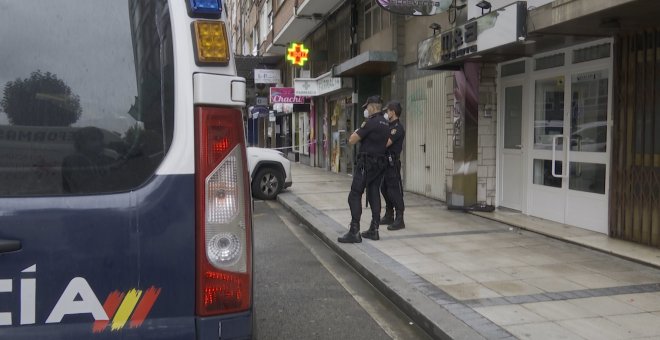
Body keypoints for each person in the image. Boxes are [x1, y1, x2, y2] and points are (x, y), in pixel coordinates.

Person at [338, 95, 390, 243]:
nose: (366, 109)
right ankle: (374, 229)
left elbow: (352, 140)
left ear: (373, 107)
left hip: (366, 164)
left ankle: (354, 231)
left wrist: (359, 129)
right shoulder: (386, 124)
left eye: (367, 107)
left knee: (354, 195)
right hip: (379, 164)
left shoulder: (370, 123)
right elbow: (385, 143)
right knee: (374, 193)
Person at [380, 101, 406, 230]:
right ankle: (389, 214)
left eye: (388, 111)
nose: (386, 113)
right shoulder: (388, 126)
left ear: (393, 112)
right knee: (384, 188)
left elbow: (385, 143)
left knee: (394, 190)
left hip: (392, 163)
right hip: (385, 162)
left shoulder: (397, 128)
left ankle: (399, 218)